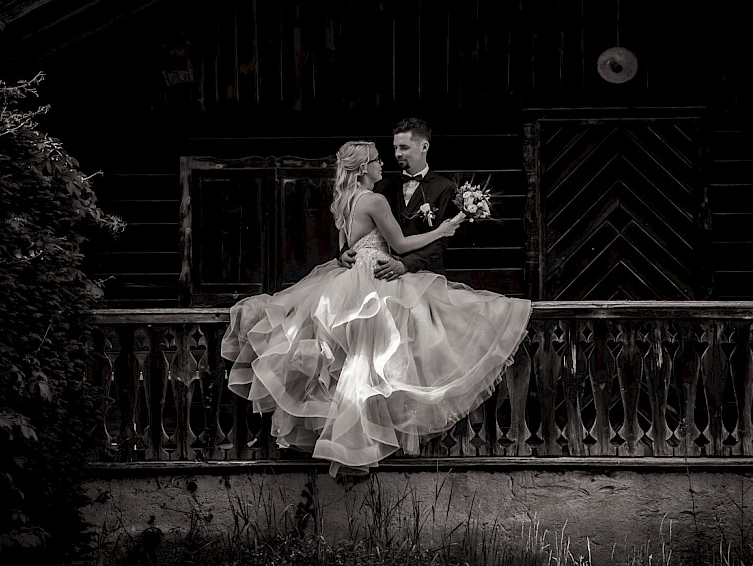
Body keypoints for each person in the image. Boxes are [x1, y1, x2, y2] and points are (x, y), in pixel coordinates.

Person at [221, 140, 531, 477]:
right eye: (377, 160)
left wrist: (343, 256)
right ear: (364, 167)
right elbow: (400, 244)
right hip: (375, 278)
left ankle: (355, 441)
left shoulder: (343, 202)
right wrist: (442, 230)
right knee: (391, 349)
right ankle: (363, 440)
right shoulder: (374, 200)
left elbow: (344, 251)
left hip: (349, 280)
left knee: (360, 360)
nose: (383, 163)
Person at [339, 118, 455, 280]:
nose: (397, 154)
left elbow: (443, 240)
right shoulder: (380, 187)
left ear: (424, 147)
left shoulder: (445, 188)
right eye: (395, 148)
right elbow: (354, 225)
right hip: (381, 275)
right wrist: (344, 252)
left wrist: (406, 264)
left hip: (426, 276)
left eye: (404, 148)